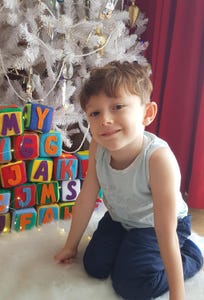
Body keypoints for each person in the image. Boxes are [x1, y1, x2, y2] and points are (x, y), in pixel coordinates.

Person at [54, 61, 203, 299]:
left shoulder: (158, 159)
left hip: (156, 226)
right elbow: (87, 196)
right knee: (93, 266)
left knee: (132, 285)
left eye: (118, 107)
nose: (105, 120)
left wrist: (177, 293)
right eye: (95, 113)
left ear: (148, 113)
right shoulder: (97, 145)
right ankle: (127, 244)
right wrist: (70, 245)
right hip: (120, 219)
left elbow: (164, 230)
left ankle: (192, 255)